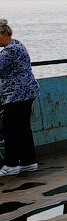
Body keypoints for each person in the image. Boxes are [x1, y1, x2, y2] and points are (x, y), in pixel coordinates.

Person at [0, 19, 41, 176]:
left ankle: (11, 165)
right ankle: (29, 162)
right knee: (23, 129)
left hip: (16, 95)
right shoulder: (17, 44)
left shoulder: (10, 51)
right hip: (26, 92)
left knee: (11, 129)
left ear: (5, 34)